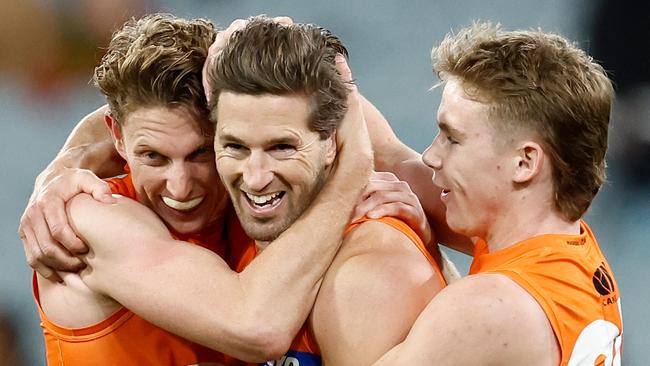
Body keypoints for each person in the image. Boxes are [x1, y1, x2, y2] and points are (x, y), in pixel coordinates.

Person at [26, 13, 375, 365]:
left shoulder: (256, 204)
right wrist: (354, 169)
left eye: (200, 154)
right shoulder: (91, 218)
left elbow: (314, 112)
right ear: (117, 136)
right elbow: (257, 328)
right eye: (153, 157)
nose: (180, 187)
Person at [367, 22, 623, 365]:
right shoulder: (567, 252)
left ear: (524, 162)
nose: (431, 155)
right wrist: (324, 75)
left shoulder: (490, 308)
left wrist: (428, 254)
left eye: (452, 138)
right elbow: (392, 156)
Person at [204, 17, 446, 365]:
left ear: (332, 142)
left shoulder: (369, 277)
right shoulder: (233, 227)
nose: (255, 178)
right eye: (235, 147)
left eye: (282, 148)